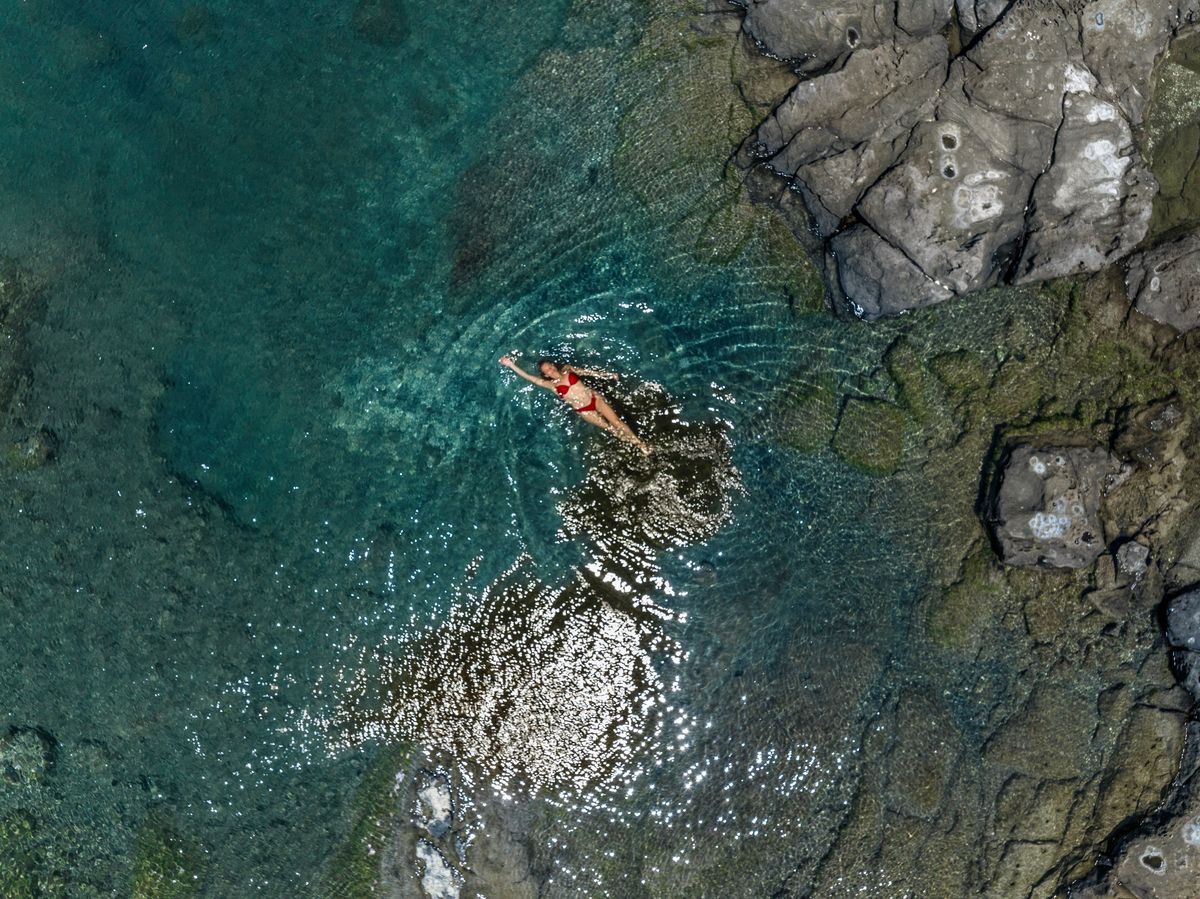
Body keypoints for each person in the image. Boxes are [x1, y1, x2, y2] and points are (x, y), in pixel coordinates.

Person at [499, 355, 650, 454]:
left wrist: (607, 375)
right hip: (584, 411)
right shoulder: (551, 385)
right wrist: (511, 365)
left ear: (553, 365)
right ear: (545, 375)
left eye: (550, 366)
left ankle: (640, 444)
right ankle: (634, 445)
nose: (550, 371)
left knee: (616, 422)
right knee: (610, 429)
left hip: (595, 399)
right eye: (546, 371)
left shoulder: (567, 369)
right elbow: (530, 378)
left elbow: (586, 372)